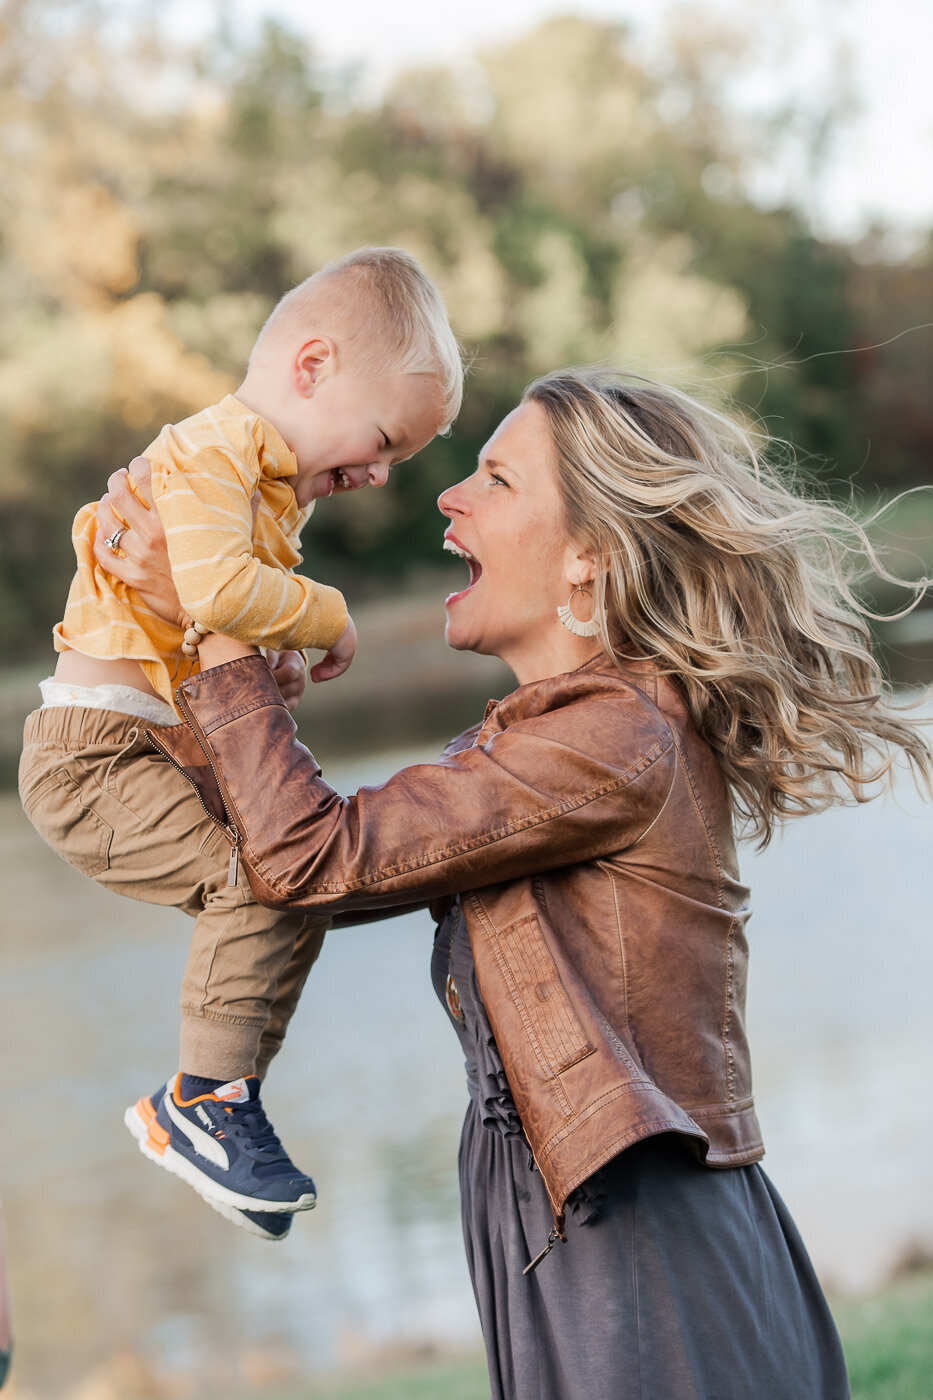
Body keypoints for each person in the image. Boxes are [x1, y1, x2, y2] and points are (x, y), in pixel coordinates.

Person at [94, 367, 931, 1399]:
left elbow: (313, 858)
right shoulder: (554, 740)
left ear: (589, 561)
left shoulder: (612, 739)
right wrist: (187, 639)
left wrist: (215, 616)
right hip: (577, 1231)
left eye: (495, 478)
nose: (449, 495)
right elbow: (294, 849)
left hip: (642, 1248)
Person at [18, 247, 463, 1242]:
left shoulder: (271, 494)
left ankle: (228, 1098)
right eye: (383, 438)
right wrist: (324, 613)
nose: (380, 472)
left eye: (398, 460)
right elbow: (216, 594)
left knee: (293, 870)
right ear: (311, 367)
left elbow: (219, 623)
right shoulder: (214, 452)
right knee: (253, 881)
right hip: (97, 757)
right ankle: (204, 1100)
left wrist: (274, 660)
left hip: (162, 740)